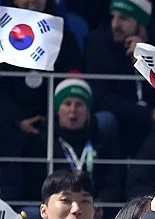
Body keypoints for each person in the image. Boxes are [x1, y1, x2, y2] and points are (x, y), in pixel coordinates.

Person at [82, 0, 155, 156]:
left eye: (123, 19)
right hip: (120, 115)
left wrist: (146, 60)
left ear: (141, 23)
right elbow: (100, 95)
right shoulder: (97, 43)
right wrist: (145, 113)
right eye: (112, 17)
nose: (114, 25)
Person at [0, 0, 84, 142]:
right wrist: (16, 120)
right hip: (7, 118)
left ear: (47, 0)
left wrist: (50, 117)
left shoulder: (65, 39)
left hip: (53, 119)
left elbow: (70, 79)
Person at [15, 78, 125, 207]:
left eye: (79, 104)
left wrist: (100, 206)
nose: (73, 110)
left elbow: (114, 182)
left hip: (95, 209)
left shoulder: (104, 141)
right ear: (58, 109)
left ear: (87, 110)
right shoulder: (41, 141)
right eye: (67, 103)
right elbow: (33, 183)